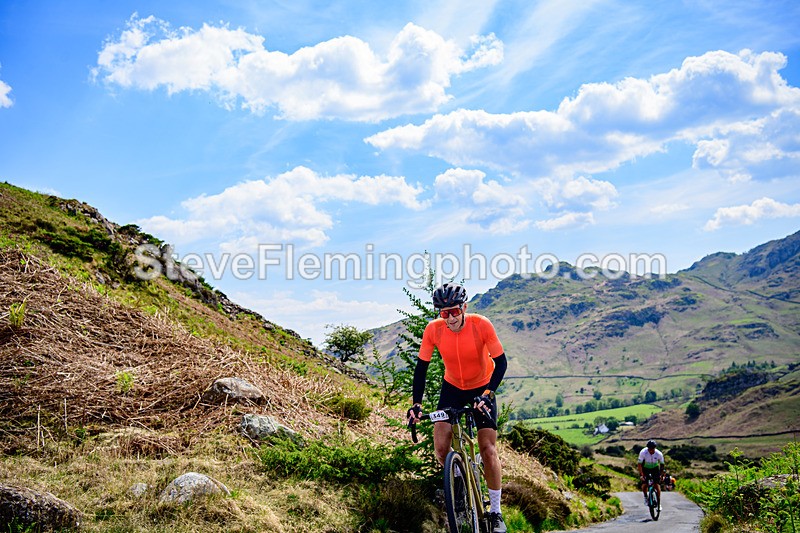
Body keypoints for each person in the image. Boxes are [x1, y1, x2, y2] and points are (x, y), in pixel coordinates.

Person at [407, 282, 508, 533]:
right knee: (441, 448)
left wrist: (486, 395)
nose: (450, 318)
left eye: (453, 311)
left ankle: (495, 512)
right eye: (444, 313)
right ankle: (460, 483)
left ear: (464, 307)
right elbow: (421, 369)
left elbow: (501, 363)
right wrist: (416, 405)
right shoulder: (433, 330)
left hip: (481, 388)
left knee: (487, 448)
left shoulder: (481, 324)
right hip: (452, 387)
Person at [638, 440, 665, 511]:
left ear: (655, 448)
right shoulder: (643, 452)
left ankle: (658, 503)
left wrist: (661, 475)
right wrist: (641, 475)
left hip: (655, 469)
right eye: (649, 449)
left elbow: (662, 465)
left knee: (656, 484)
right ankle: (645, 497)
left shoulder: (659, 454)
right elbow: (639, 464)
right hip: (645, 468)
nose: (651, 451)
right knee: (644, 484)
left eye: (652, 449)